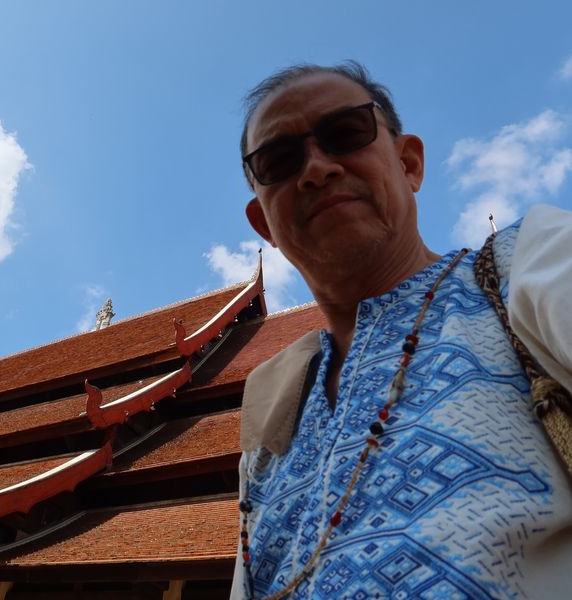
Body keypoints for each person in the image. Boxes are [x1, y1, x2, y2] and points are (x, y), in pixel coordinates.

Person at [231, 61, 572, 599]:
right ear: (263, 224)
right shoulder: (276, 402)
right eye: (279, 160)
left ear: (409, 163)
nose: (316, 169)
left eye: (346, 134)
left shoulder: (528, 264)